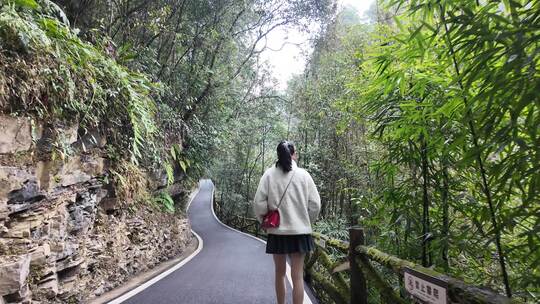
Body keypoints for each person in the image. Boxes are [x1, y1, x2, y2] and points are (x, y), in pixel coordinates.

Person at [253, 141, 321, 304]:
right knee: (297, 276)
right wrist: (305, 221)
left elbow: (258, 203)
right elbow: (315, 204)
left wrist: (264, 219)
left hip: (277, 232)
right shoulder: (304, 175)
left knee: (280, 273)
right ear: (293, 154)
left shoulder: (269, 175)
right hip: (300, 233)